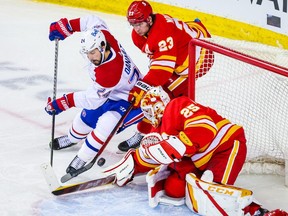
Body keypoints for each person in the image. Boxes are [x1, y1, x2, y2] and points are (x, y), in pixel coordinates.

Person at [103, 86, 272, 215]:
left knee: (211, 195)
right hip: (199, 159)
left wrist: (177, 144)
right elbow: (154, 153)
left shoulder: (178, 105)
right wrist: (135, 163)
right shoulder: (158, 131)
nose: (152, 114)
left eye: (151, 110)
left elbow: (205, 127)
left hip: (225, 147)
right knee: (174, 189)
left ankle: (257, 211)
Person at [45, 15, 143, 176]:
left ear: (102, 46)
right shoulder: (103, 35)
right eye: (87, 53)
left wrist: (64, 102)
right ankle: (72, 138)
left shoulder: (109, 73)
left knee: (105, 124)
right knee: (83, 120)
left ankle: (83, 158)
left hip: (127, 97)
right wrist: (68, 26)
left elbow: (91, 100)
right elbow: (92, 21)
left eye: (93, 52)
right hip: (112, 90)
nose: (90, 57)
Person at [118, 0, 214, 152]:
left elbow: (162, 71)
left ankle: (149, 133)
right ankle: (153, 131)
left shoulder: (161, 33)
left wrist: (142, 86)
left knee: (161, 98)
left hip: (199, 58)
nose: (136, 29)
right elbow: (157, 59)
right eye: (133, 24)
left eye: (139, 24)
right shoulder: (139, 35)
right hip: (182, 47)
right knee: (158, 93)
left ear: (149, 19)